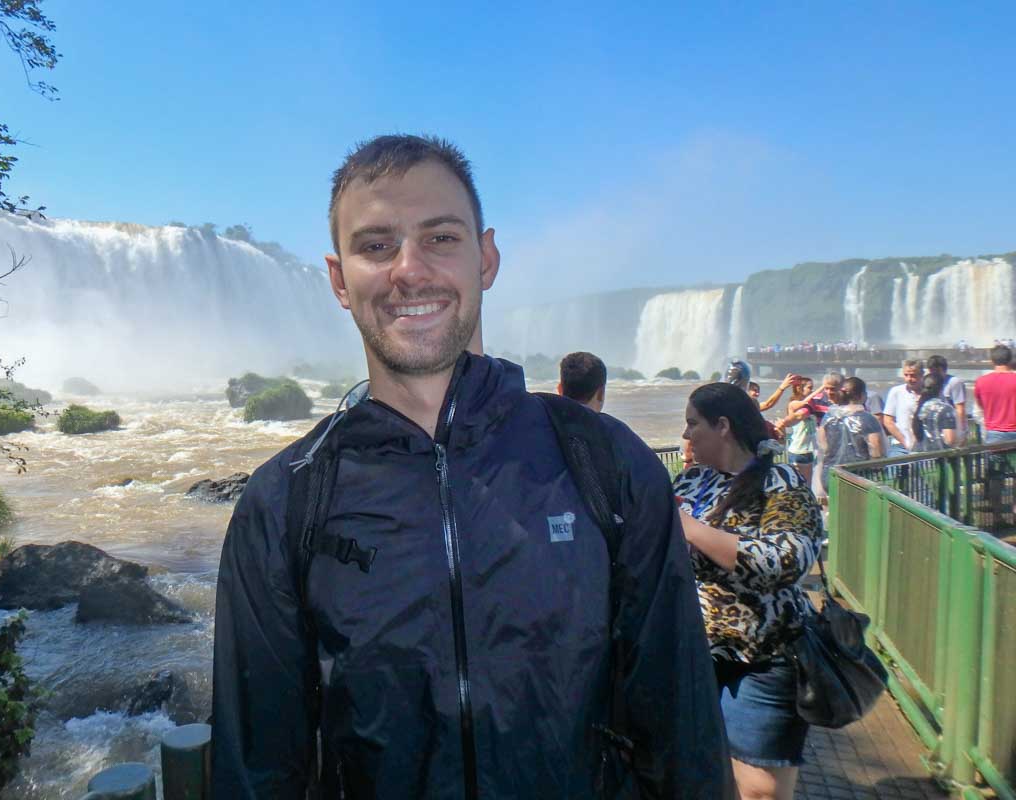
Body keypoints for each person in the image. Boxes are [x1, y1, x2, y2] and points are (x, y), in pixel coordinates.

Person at [211, 134, 734, 798]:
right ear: (340, 280)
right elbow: (257, 770)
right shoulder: (286, 502)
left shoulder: (607, 466)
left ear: (485, 258)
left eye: (441, 238)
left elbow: (682, 729)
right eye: (376, 246)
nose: (409, 269)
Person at [674, 383, 824, 800]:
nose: (686, 436)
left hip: (763, 660)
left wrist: (691, 529)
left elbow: (787, 561)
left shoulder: (782, 482)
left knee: (759, 790)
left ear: (722, 425)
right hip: (697, 656)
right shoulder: (692, 481)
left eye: (692, 424)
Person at [817, 377, 885, 490]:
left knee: (835, 506)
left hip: (830, 475)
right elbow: (876, 450)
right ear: (861, 395)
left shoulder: (829, 416)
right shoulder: (868, 419)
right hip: (858, 477)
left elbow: (822, 446)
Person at [974, 344, 1016, 444]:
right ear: (1010, 360)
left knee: (995, 459)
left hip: (993, 434)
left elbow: (980, 406)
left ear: (992, 361)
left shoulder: (981, 381)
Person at [883, 360, 924, 456]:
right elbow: (888, 420)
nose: (909, 379)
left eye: (913, 375)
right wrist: (905, 441)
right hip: (900, 446)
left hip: (924, 445)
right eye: (906, 375)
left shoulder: (928, 392)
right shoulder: (896, 392)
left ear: (922, 374)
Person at [911, 374, 958, 452]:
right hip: (936, 456)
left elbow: (916, 434)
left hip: (917, 455)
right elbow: (950, 440)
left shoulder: (920, 407)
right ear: (941, 389)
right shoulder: (945, 409)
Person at [926, 355, 968, 436]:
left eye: (937, 371)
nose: (934, 374)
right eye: (931, 371)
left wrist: (961, 432)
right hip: (935, 429)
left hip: (951, 427)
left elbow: (960, 408)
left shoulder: (954, 382)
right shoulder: (929, 382)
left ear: (944, 370)